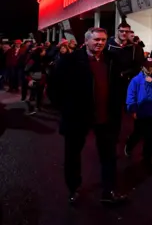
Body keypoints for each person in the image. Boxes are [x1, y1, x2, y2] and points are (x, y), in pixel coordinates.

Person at [47, 27, 128, 205]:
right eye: (96, 39)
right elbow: (54, 87)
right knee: (73, 155)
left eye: (103, 40)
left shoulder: (112, 60)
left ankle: (109, 190)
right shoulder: (70, 60)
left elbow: (119, 85)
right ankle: (73, 189)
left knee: (109, 156)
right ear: (86, 41)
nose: (100, 43)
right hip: (77, 118)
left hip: (106, 116)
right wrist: (65, 108)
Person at [125, 57, 152, 167]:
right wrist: (132, 109)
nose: (149, 69)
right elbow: (131, 95)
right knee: (138, 132)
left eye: (151, 66)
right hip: (140, 110)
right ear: (142, 67)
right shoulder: (136, 80)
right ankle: (129, 145)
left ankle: (148, 156)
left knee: (150, 135)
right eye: (147, 67)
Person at [24, 46, 49, 114]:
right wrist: (30, 79)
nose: (45, 52)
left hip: (42, 80)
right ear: (40, 52)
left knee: (40, 94)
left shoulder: (43, 59)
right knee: (33, 94)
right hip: (34, 79)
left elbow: (44, 69)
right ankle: (31, 109)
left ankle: (38, 106)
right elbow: (26, 69)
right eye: (44, 51)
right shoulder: (32, 59)